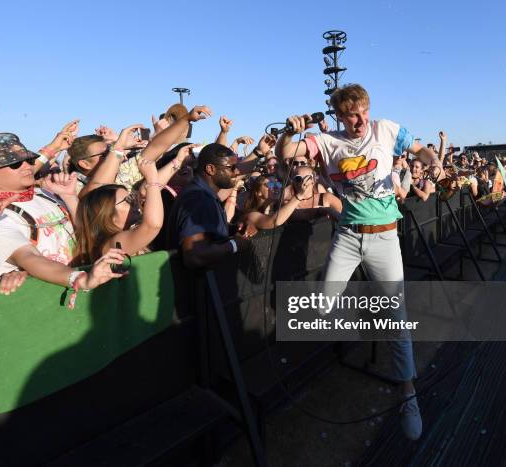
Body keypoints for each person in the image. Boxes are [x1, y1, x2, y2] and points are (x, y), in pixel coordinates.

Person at [276, 83, 441, 440]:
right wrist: (289, 132)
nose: (360, 120)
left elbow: (420, 150)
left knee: (398, 319)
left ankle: (407, 393)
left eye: (364, 111)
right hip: (349, 236)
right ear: (339, 116)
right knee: (321, 308)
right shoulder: (328, 142)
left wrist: (435, 160)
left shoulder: (385, 130)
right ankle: (372, 304)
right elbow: (288, 153)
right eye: (352, 114)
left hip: (384, 238)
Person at [0, 133, 127, 294]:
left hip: (85, 288)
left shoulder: (45, 194)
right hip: (49, 301)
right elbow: (29, 258)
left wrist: (70, 197)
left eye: (29, 160)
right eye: (15, 164)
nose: (27, 166)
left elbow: (86, 233)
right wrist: (80, 279)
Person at [167, 142, 251, 269]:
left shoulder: (205, 194)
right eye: (232, 167)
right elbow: (194, 255)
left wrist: (233, 229)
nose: (237, 171)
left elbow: (206, 231)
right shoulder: (198, 199)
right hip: (190, 285)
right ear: (211, 169)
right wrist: (234, 245)